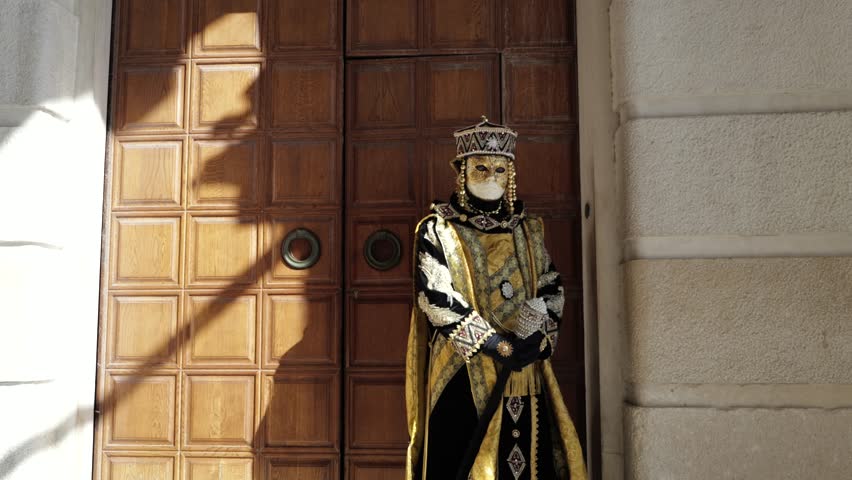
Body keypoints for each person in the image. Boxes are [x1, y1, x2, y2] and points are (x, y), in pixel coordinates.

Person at [405, 117, 586, 480]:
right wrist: (497, 346)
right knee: (460, 455)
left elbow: (551, 287)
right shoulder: (438, 230)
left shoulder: (528, 230)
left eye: (500, 169)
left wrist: (537, 341)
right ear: (462, 171)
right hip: (462, 367)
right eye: (481, 167)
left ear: (511, 175)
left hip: (523, 367)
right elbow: (436, 298)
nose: (491, 176)